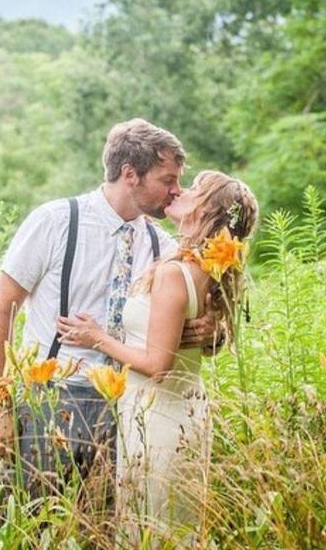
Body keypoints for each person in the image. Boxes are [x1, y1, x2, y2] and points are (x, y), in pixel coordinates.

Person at [0, 118, 221, 501]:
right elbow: (0, 310)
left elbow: (188, 328)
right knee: (33, 521)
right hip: (50, 400)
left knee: (106, 530)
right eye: (167, 180)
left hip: (128, 408)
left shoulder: (164, 247)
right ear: (130, 174)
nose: (176, 191)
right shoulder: (56, 221)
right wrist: (1, 405)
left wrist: (212, 333)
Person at [58, 170, 258, 544]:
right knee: (176, 528)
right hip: (185, 413)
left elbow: (157, 366)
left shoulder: (174, 272)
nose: (181, 191)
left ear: (206, 212)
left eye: (194, 189)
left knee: (149, 529)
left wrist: (96, 337)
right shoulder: (209, 270)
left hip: (158, 417)